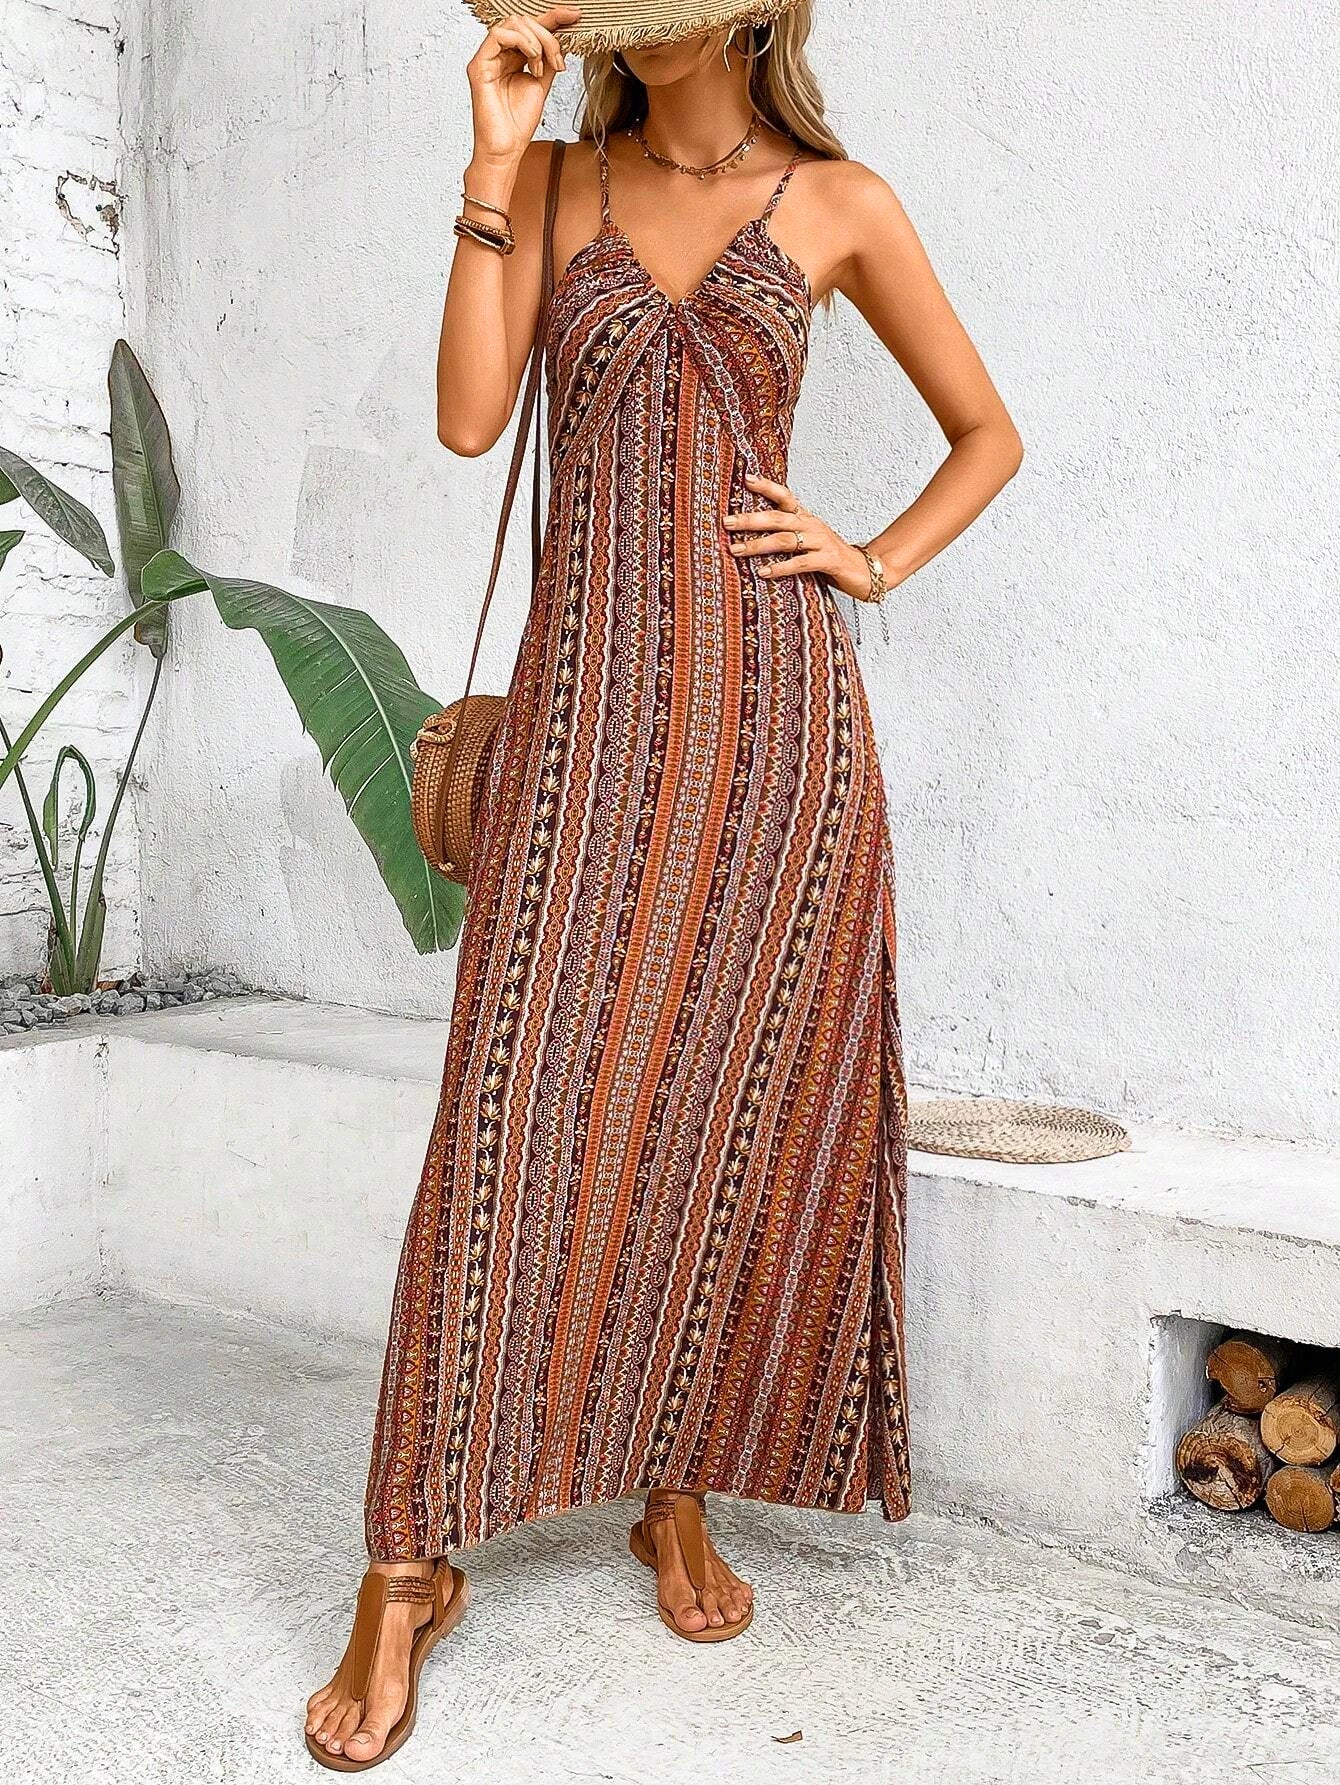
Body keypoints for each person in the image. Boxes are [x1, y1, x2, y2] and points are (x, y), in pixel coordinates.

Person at [306, 0, 1022, 1767]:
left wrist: (867, 557)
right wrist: (489, 158)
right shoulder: (554, 180)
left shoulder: (842, 202)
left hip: (778, 731)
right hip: (587, 713)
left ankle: (671, 1491)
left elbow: (987, 433)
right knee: (513, 1113)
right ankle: (407, 1559)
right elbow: (478, 423)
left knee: (725, 1115)